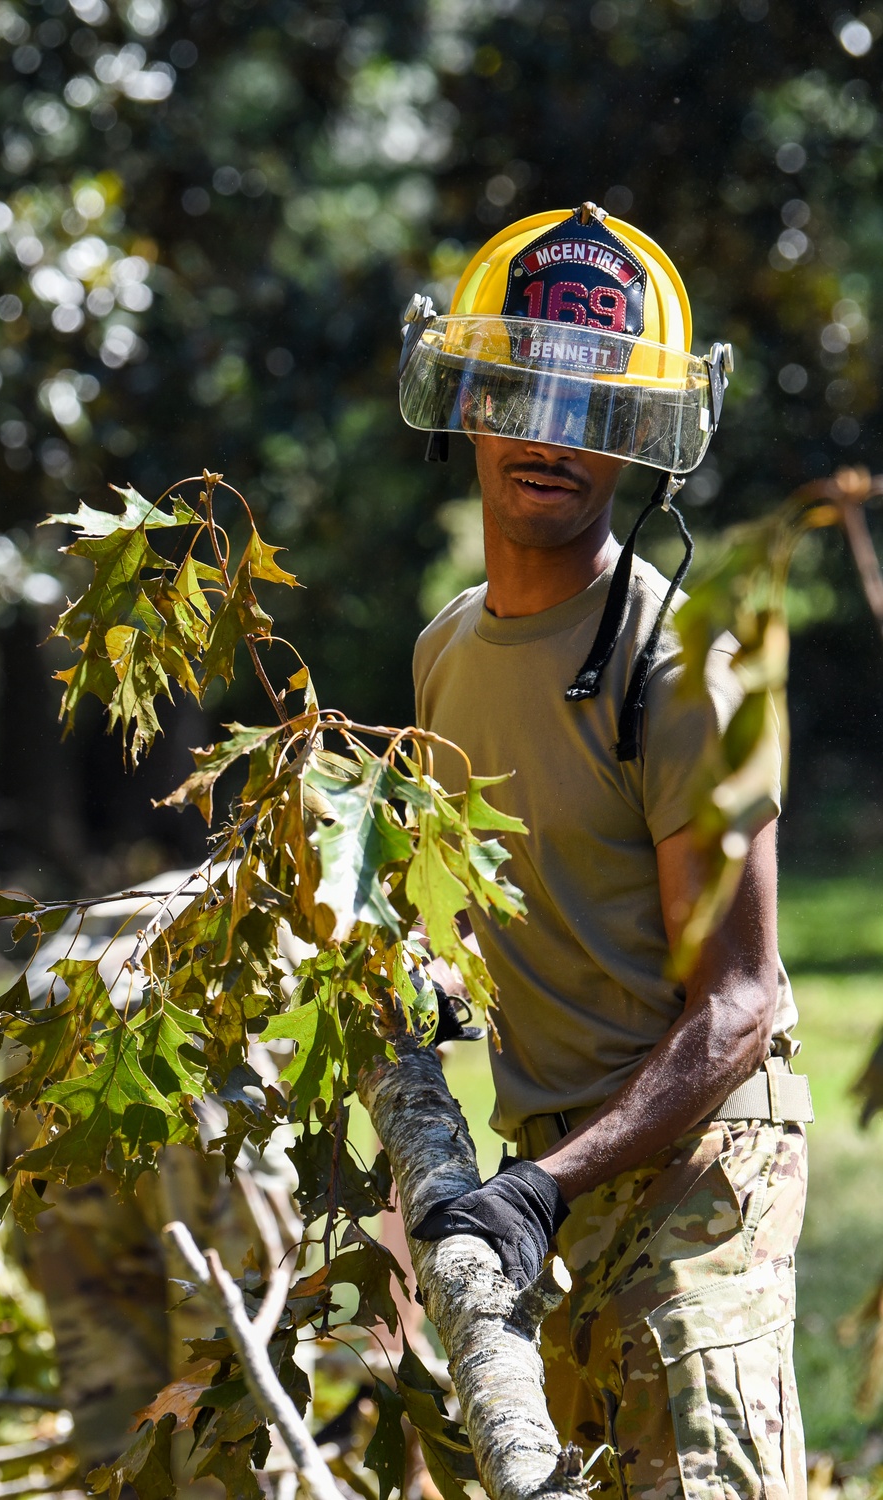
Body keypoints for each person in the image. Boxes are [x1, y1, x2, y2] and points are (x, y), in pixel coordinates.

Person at [401, 202, 813, 1499]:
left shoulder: (684, 662)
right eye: (527, 391)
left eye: (602, 412)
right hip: (555, 1168)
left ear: (643, 443)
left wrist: (538, 1190)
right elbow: (469, 922)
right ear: (471, 395)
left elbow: (739, 1004)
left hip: (701, 1165)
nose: (556, 439)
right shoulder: (443, 654)